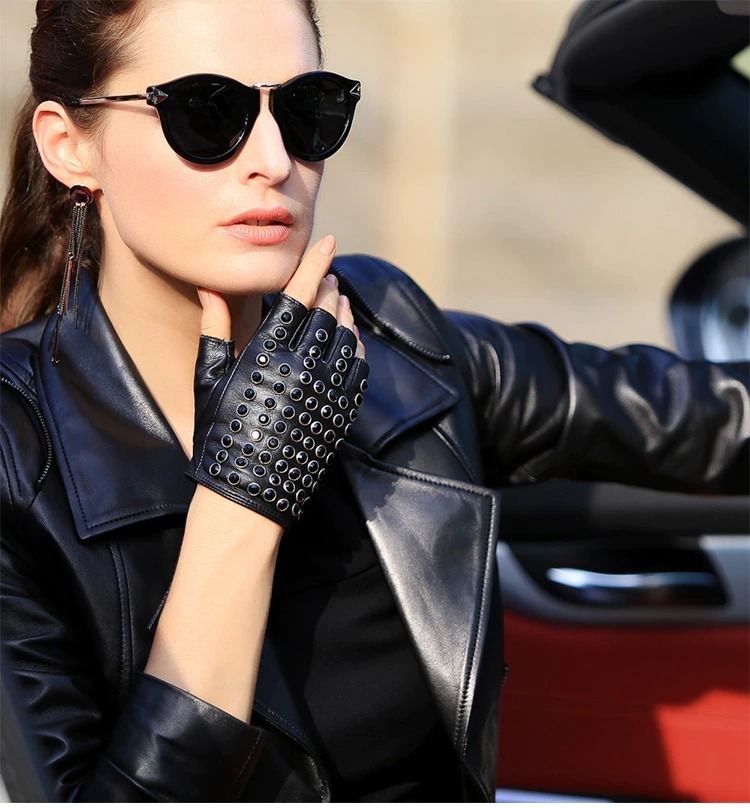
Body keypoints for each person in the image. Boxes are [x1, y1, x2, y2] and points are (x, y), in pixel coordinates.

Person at [1, 0, 747, 802]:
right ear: (68, 144)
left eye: (305, 110)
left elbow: (698, 418)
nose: (274, 159)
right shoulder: (15, 448)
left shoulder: (391, 335)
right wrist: (245, 494)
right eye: (206, 112)